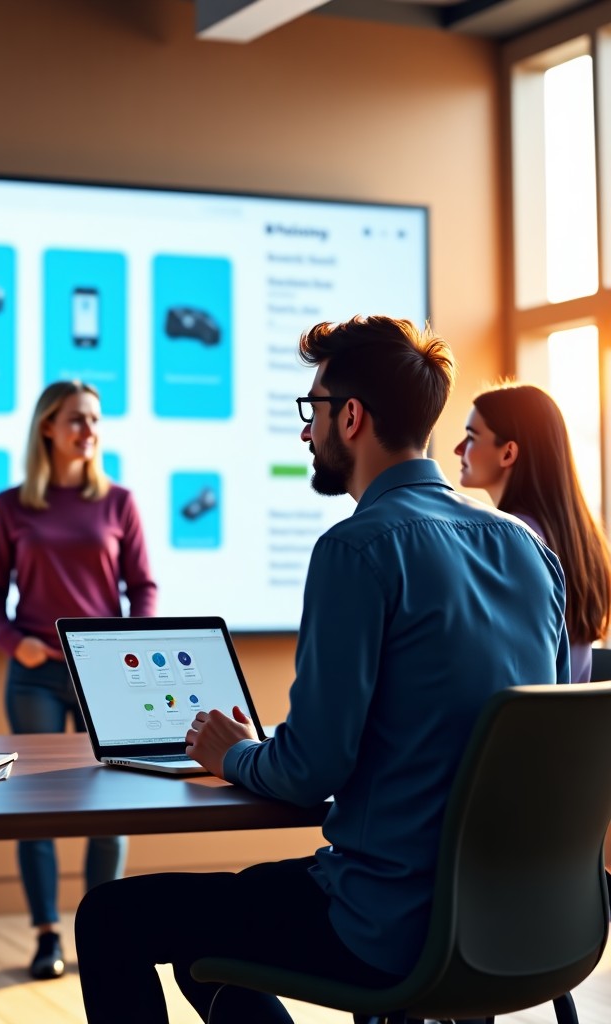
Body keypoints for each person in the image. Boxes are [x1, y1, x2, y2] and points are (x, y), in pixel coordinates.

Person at [74, 315, 569, 1024]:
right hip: (526, 919)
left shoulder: (358, 549)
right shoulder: (526, 549)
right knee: (212, 931)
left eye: (313, 411)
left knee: (112, 917)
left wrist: (233, 752)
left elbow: (312, 770)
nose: (306, 432)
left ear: (352, 418)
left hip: (388, 926)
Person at [0, 380, 157, 979]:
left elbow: (144, 588)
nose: (89, 431)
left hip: (105, 676)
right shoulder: (11, 505)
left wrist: (133, 647)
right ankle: (47, 934)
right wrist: (12, 642)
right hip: (33, 676)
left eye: (95, 421)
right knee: (37, 811)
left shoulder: (119, 502)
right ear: (47, 427)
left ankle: (101, 927)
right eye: (77, 420)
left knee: (110, 807)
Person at [455, 382, 611, 683]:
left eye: (471, 437)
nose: (458, 448)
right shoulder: (583, 539)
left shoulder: (508, 542)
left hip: (516, 727)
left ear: (508, 453)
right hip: (568, 726)